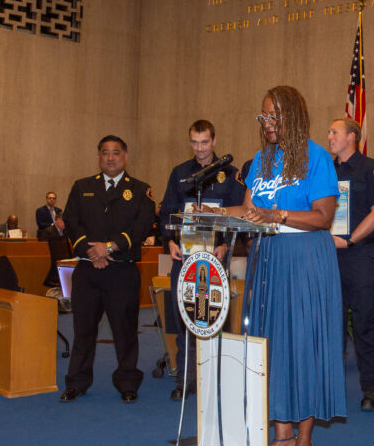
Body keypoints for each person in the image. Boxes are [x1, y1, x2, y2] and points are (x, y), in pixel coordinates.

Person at [206, 86, 345, 446]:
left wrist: (279, 214)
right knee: (271, 344)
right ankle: (281, 434)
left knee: (301, 344)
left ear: (293, 116)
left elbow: (323, 216)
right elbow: (248, 209)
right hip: (266, 260)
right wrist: (213, 213)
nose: (267, 123)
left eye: (274, 116)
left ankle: (303, 438)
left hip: (304, 260)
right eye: (263, 116)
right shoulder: (262, 159)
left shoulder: (317, 158)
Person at [60, 135, 155, 404]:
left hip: (122, 272)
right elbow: (72, 221)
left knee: (125, 332)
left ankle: (128, 383)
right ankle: (76, 383)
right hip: (88, 271)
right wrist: (91, 252)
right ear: (99, 156)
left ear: (125, 156)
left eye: (115, 152)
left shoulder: (140, 189)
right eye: (105, 153)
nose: (110, 157)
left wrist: (110, 247)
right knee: (83, 331)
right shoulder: (82, 187)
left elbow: (142, 227)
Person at [158, 119, 246, 400]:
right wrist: (169, 240)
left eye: (205, 142)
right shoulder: (180, 173)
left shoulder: (230, 174)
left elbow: (239, 215)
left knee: (214, 318)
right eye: (194, 142)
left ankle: (216, 374)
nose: (200, 149)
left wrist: (224, 246)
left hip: (215, 259)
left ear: (214, 140)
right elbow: (167, 213)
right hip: (184, 257)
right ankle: (186, 379)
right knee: (184, 316)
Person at [327, 117, 374, 411]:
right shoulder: (324, 171)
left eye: (334, 132)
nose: (329, 136)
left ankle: (373, 389)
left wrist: (349, 240)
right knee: (330, 323)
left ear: (352, 136)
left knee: (364, 322)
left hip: (360, 256)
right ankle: (328, 385)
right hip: (328, 256)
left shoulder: (371, 169)